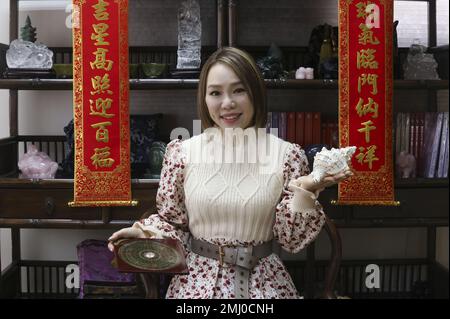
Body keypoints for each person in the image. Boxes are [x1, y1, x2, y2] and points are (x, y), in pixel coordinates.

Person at [108, 47, 353, 299]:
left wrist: (306, 190)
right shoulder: (181, 154)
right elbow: (174, 223)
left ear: (255, 93)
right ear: (204, 98)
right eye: (215, 93)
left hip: (263, 284)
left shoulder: (288, 156)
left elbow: (292, 241)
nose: (227, 103)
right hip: (196, 284)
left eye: (239, 90)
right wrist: (144, 233)